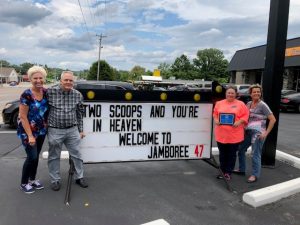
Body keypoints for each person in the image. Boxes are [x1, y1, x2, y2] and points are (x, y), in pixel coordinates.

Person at [47, 71, 88, 191]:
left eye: (71, 80)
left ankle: (79, 177)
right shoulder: (50, 92)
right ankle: (55, 180)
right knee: (54, 156)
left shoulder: (78, 95)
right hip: (55, 130)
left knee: (77, 155)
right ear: (61, 81)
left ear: (73, 82)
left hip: (72, 130)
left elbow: (80, 114)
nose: (68, 82)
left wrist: (80, 130)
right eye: (66, 80)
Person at [235, 84, 276, 183]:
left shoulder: (263, 105)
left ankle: (255, 174)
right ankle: (241, 169)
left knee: (255, 154)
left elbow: (273, 119)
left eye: (258, 92)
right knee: (241, 149)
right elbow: (243, 116)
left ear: (260, 93)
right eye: (254, 92)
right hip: (248, 132)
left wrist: (265, 133)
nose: (256, 93)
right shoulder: (248, 104)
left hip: (258, 134)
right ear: (250, 93)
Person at [18, 66, 48, 194]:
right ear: (30, 79)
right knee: (32, 157)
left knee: (35, 158)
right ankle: (24, 183)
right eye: (35, 78)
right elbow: (23, 117)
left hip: (41, 131)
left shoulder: (45, 92)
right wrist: (30, 135)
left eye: (40, 78)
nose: (38, 80)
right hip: (28, 132)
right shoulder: (27, 94)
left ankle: (32, 180)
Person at [213, 86, 249, 180]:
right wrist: (216, 119)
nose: (230, 94)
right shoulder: (219, 103)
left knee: (232, 155)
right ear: (225, 94)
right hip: (221, 134)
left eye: (232, 93)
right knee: (222, 154)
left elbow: (246, 115)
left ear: (236, 94)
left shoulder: (241, 104)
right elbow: (215, 113)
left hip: (235, 135)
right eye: (228, 93)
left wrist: (239, 121)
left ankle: (228, 172)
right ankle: (222, 171)